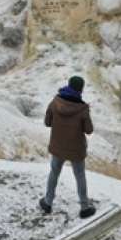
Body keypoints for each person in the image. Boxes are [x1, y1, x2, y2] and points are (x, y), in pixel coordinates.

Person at [39, 75, 96, 219]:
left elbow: (47, 122)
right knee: (80, 176)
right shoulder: (83, 108)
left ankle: (47, 202)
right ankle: (84, 207)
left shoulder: (55, 102)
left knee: (54, 173)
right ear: (81, 89)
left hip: (58, 147)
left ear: (68, 85)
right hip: (76, 149)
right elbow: (89, 130)